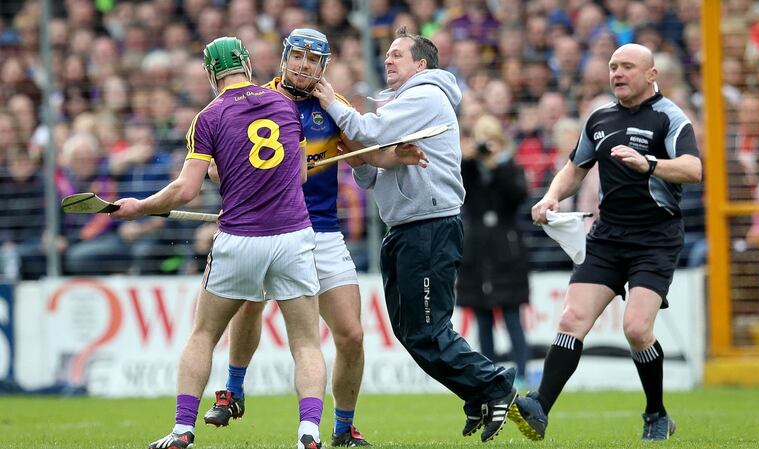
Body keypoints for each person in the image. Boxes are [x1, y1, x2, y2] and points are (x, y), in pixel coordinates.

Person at [201, 28, 425, 447]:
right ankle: (233, 391)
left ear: (325, 65)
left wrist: (398, 156)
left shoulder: (333, 106)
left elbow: (368, 153)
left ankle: (343, 428)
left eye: (313, 59)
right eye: (297, 55)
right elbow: (213, 166)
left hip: (320, 231)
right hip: (267, 226)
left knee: (352, 336)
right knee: (249, 305)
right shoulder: (254, 99)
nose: (303, 65)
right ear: (284, 57)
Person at [111, 37, 327, 449]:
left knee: (204, 334)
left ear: (212, 73)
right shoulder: (284, 105)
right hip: (293, 237)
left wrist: (140, 207)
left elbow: (186, 190)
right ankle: (308, 433)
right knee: (305, 342)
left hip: (240, 239)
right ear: (246, 65)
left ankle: (181, 431)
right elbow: (298, 177)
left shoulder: (208, 117)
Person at [312, 26, 519, 443]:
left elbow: (368, 130)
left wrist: (331, 101)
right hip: (407, 229)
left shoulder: (424, 96)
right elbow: (371, 174)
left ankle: (494, 385)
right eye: (386, 55)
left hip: (428, 228)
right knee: (413, 334)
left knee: (427, 331)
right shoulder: (405, 103)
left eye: (397, 55)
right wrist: (352, 155)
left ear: (421, 65)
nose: (387, 60)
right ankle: (479, 394)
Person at [512, 43, 702, 442]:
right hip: (607, 236)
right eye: (613, 66)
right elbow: (574, 168)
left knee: (636, 329)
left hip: (655, 239)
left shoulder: (670, 118)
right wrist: (550, 197)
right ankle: (539, 407)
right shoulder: (599, 118)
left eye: (628, 67)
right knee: (571, 320)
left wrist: (648, 163)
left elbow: (693, 168)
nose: (617, 73)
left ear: (651, 75)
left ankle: (656, 414)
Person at [456, 114, 530, 388]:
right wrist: (469, 159)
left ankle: (521, 372)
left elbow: (518, 195)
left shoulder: (509, 167)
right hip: (476, 254)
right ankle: (488, 374)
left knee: (512, 316)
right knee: (482, 318)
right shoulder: (472, 169)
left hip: (506, 253)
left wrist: (497, 166)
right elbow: (459, 188)